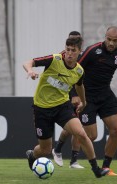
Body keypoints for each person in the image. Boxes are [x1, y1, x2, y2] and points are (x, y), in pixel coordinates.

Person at [23, 37, 109, 178]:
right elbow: (29, 62)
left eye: (73, 51)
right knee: (45, 150)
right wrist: (30, 70)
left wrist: (84, 102)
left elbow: (79, 86)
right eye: (67, 49)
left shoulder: (79, 71)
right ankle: (32, 154)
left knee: (81, 133)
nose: (69, 53)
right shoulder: (54, 59)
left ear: (79, 52)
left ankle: (96, 169)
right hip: (41, 108)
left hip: (62, 107)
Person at [72, 26, 117, 176]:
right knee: (92, 136)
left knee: (116, 130)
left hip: (105, 95)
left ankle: (106, 167)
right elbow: (75, 70)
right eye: (109, 39)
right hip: (87, 96)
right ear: (105, 37)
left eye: (115, 41)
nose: (111, 43)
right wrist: (74, 94)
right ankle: (71, 140)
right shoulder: (92, 51)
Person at [52, 31, 84, 169]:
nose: (70, 51)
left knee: (76, 128)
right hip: (67, 96)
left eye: (75, 43)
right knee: (74, 127)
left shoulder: (82, 56)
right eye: (69, 44)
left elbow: (79, 78)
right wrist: (73, 94)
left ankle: (70, 158)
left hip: (81, 95)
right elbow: (62, 77)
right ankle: (61, 152)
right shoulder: (62, 56)